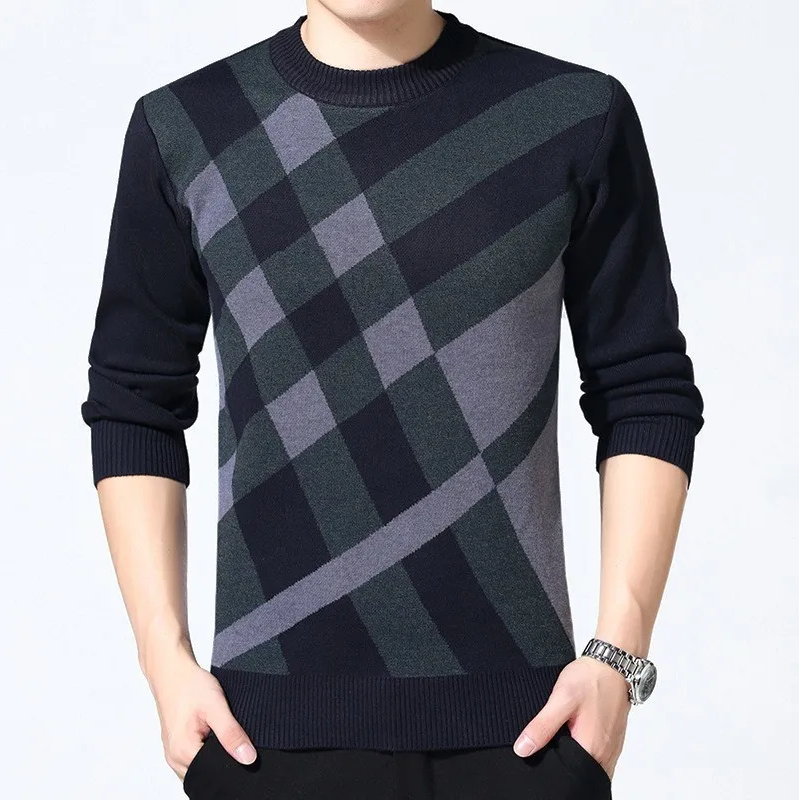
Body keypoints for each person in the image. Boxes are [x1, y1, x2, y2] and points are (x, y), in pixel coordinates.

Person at [80, 1, 705, 798]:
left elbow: (644, 391)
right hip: (262, 740)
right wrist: (164, 661)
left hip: (524, 736)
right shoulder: (187, 127)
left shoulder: (572, 115)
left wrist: (617, 659)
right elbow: (135, 400)